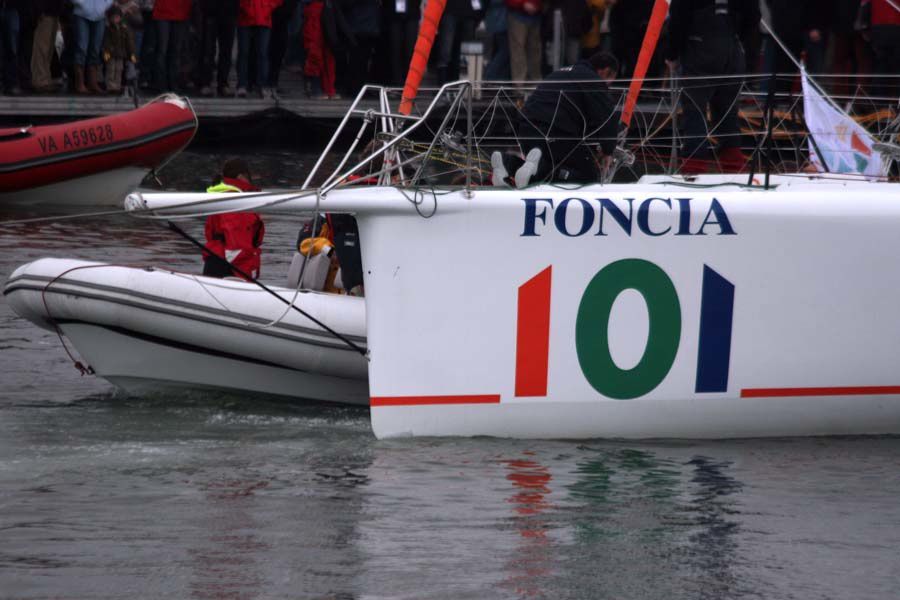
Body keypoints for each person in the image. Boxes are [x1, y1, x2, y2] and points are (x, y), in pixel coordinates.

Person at [498, 51, 620, 187]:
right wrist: (608, 150)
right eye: (609, 83)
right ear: (606, 72)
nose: (607, 87)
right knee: (588, 175)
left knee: (548, 164)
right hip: (554, 132)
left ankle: (508, 164)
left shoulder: (560, 73)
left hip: (527, 129)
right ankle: (529, 170)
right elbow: (607, 116)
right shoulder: (592, 80)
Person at [666, 0, 759, 173]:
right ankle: (734, 171)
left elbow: (678, 19)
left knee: (695, 113)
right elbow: (754, 16)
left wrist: (672, 53)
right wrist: (737, 39)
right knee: (728, 115)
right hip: (732, 50)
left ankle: (693, 172)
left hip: (699, 49)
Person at [203, 159, 266, 280]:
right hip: (228, 268)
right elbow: (237, 246)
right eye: (250, 176)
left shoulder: (221, 195)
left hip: (216, 260)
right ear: (241, 176)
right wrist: (246, 277)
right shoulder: (237, 201)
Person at [236, 0, 283, 98]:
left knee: (262, 54)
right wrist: (245, 5)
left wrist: (268, 7)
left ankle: (261, 85)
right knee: (244, 53)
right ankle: (242, 85)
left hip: (263, 17)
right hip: (248, 17)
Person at [72, 0, 114, 94]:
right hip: (81, 13)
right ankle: (79, 83)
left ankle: (93, 82)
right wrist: (81, 3)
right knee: (81, 47)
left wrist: (104, 6)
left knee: (96, 49)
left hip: (100, 15)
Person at [197, 0, 238, 96]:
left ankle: (223, 84)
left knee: (226, 51)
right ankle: (205, 84)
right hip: (211, 13)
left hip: (229, 13)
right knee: (208, 50)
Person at [31, 1, 64, 93]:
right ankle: (40, 80)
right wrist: (39, 10)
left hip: (54, 11)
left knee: (48, 50)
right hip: (44, 11)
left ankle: (46, 78)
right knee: (42, 48)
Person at [103, 6, 136, 94]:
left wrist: (132, 53)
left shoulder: (124, 29)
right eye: (113, 17)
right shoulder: (108, 29)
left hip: (121, 54)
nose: (115, 19)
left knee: (119, 70)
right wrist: (106, 51)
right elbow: (106, 41)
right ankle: (110, 86)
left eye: (117, 17)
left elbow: (129, 42)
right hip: (111, 53)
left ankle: (117, 86)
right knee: (111, 70)